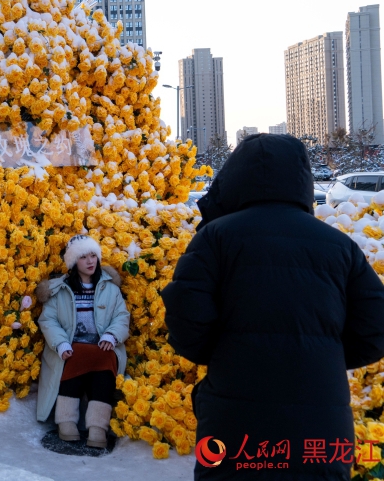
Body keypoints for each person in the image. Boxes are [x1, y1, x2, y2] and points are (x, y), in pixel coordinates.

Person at [162, 134, 384, 479]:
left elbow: (185, 319)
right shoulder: (339, 247)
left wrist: (225, 353)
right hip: (320, 424)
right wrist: (322, 352)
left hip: (234, 422)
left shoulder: (215, 238)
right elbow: (376, 328)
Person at [36, 234, 130, 448]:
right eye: (83, 257)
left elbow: (122, 316)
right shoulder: (60, 290)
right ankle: (66, 422)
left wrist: (111, 335)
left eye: (93, 256)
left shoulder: (110, 288)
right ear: (72, 262)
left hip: (102, 345)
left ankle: (98, 428)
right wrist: (61, 343)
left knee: (105, 362)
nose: (90, 261)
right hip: (70, 345)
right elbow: (48, 319)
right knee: (75, 357)